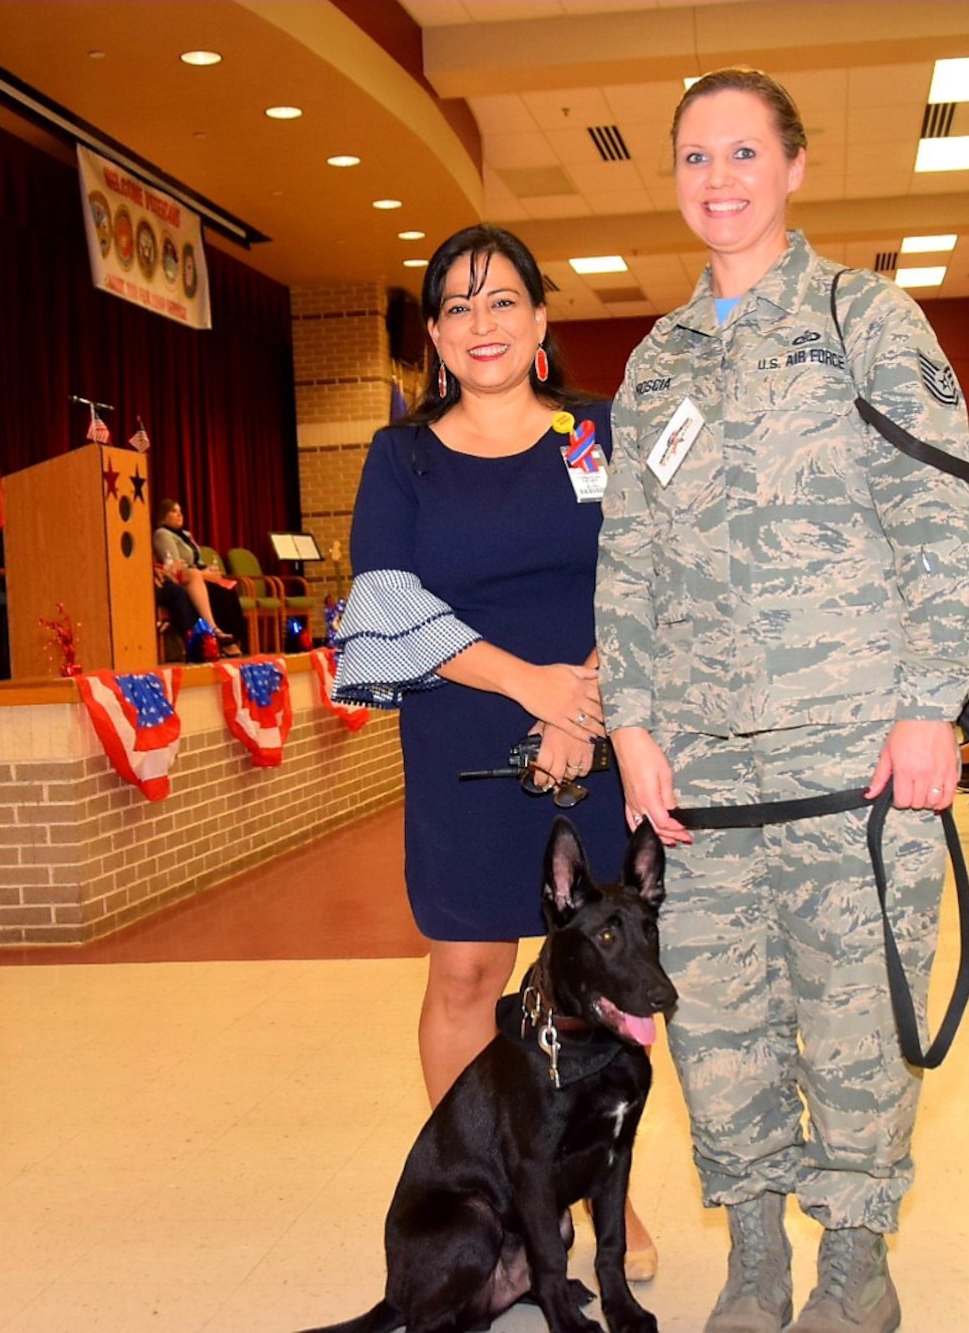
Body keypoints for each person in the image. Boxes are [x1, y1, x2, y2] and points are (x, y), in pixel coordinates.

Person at [596, 67, 969, 1333]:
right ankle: (758, 1254)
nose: (716, 180)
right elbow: (627, 565)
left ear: (793, 168)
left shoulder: (864, 321)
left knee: (850, 1016)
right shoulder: (652, 367)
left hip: (855, 761)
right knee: (718, 1026)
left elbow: (951, 532)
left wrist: (932, 704)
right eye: (693, 159)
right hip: (702, 780)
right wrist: (631, 729)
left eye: (741, 154)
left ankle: (853, 1262)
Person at [330, 224, 654, 1279]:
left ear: (542, 320)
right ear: (431, 333)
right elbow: (384, 593)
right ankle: (495, 1194)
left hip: (597, 728)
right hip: (466, 730)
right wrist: (527, 687)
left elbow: (643, 571)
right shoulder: (404, 452)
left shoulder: (591, 435)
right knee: (469, 970)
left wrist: (579, 708)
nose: (483, 323)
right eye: (458, 306)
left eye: (503, 299)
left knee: (603, 975)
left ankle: (605, 1193)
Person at [152, 499, 247, 654]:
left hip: (196, 574)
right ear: (164, 516)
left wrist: (208, 570)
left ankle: (233, 640)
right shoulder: (162, 534)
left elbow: (198, 559)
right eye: (174, 512)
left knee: (227, 590)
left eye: (180, 512)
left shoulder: (185, 535)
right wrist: (203, 574)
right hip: (181, 577)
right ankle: (216, 635)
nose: (179, 515)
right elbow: (175, 564)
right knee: (215, 591)